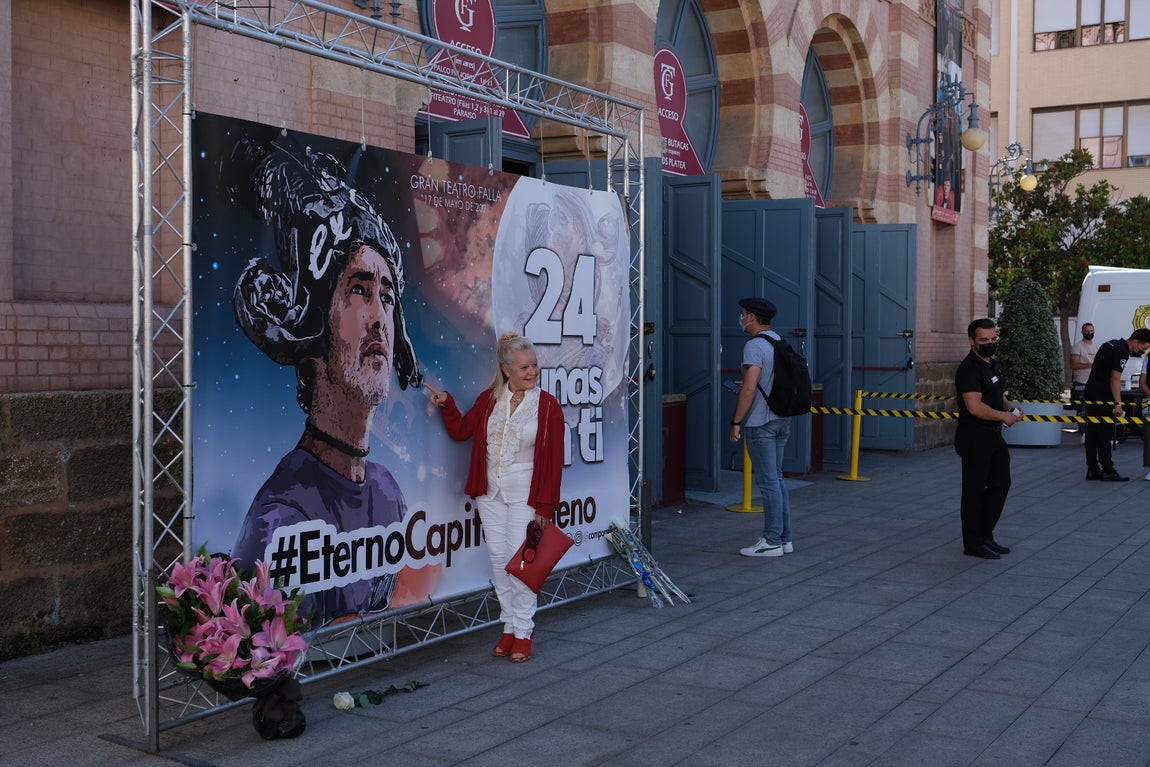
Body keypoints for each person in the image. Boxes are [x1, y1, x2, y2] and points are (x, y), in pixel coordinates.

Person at [229, 139, 432, 626]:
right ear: (316, 313)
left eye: (387, 295)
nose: (380, 317)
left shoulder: (387, 492)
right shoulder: (280, 517)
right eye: (359, 290)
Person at [425, 333, 565, 663]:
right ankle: (508, 628)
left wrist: (545, 506)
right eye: (524, 367)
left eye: (534, 366)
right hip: (490, 494)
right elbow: (462, 430)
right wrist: (447, 403)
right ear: (505, 370)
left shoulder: (547, 406)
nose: (532, 372)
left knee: (522, 567)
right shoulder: (489, 399)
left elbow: (555, 461)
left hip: (525, 497)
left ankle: (524, 631)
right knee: (501, 565)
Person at [954, 318, 1023, 560]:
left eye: (993, 339)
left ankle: (985, 535)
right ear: (972, 340)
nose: (990, 343)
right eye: (984, 340)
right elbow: (974, 407)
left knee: (1001, 484)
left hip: (994, 436)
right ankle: (972, 543)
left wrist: (1010, 408)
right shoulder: (969, 369)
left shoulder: (992, 364)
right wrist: (1004, 416)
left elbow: (995, 394)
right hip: (975, 438)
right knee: (973, 492)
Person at [729, 297, 793, 558]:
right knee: (777, 479)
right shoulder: (778, 341)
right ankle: (784, 538)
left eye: (743, 314)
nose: (742, 319)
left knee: (768, 483)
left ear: (752, 317)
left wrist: (736, 422)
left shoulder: (754, 346)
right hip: (781, 420)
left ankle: (772, 541)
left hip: (761, 423)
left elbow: (750, 388)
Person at [1084, 329, 1150, 481]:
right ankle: (1108, 469)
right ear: (1136, 341)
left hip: (1092, 392)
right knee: (1104, 433)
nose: (1143, 351)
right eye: (1143, 348)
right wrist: (1118, 404)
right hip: (1103, 396)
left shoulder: (1110, 344)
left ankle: (1092, 468)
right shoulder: (1122, 351)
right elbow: (1115, 378)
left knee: (1093, 431)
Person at [1068, 323, 1096, 432]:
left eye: (1091, 331)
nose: (1089, 333)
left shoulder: (1096, 346)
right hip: (1081, 382)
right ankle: (1083, 434)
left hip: (1093, 382)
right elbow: (1073, 365)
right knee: (1082, 410)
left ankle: (1091, 433)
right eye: (1087, 331)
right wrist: (1091, 365)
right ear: (1082, 332)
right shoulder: (1077, 346)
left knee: (1093, 410)